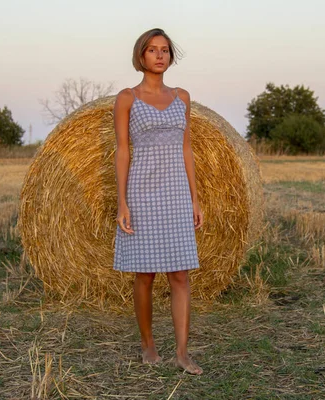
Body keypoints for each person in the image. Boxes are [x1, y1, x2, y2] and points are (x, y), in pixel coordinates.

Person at [112, 28, 203, 375]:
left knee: (180, 274)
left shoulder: (182, 97)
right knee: (146, 273)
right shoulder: (127, 98)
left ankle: (182, 352)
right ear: (141, 56)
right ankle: (148, 343)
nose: (160, 55)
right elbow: (122, 150)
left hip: (176, 192)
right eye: (152, 50)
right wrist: (122, 201)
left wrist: (195, 198)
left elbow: (186, 147)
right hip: (142, 191)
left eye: (165, 50)